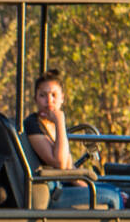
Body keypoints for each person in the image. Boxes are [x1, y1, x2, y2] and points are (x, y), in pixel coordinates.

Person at [24, 70, 121, 208]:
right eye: (42, 95)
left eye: (54, 95)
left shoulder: (52, 124)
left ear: (62, 98)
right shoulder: (33, 124)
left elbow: (69, 168)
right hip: (53, 192)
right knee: (113, 197)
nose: (49, 100)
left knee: (114, 190)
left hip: (63, 184)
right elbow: (61, 164)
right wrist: (60, 121)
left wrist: (88, 186)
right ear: (35, 99)